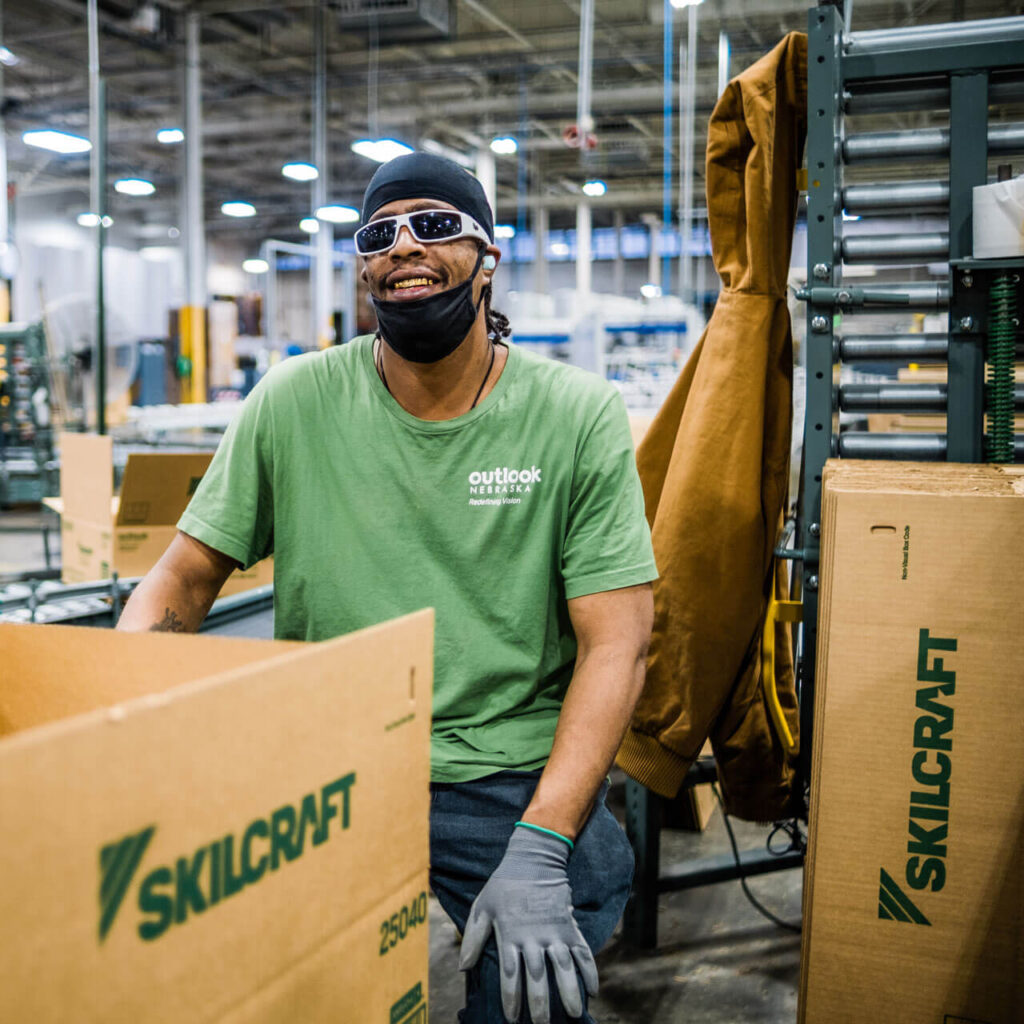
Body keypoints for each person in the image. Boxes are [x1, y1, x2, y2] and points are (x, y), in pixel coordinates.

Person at [117, 151, 657, 1024]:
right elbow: (183, 573)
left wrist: (546, 841)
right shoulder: (294, 401)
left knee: (542, 976)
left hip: (503, 767)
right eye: (379, 234)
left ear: (487, 259)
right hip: (333, 757)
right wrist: (123, 700)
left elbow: (618, 642)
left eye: (436, 226)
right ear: (364, 266)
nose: (404, 246)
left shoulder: (575, 414)